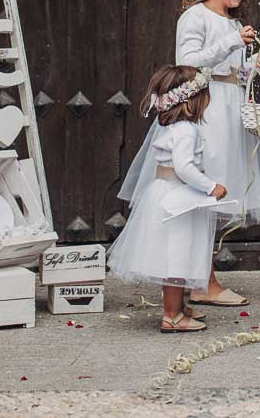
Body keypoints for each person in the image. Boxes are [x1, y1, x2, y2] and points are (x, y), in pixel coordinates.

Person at [118, 0, 260, 308]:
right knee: (203, 192)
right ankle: (202, 281)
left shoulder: (233, 22)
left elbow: (228, 72)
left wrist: (252, 67)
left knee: (219, 194)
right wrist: (231, 41)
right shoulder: (195, 17)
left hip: (228, 107)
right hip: (206, 111)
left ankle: (204, 277)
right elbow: (188, 63)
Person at [108, 65, 232, 333]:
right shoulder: (187, 130)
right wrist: (211, 187)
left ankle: (180, 307)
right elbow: (184, 167)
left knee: (180, 254)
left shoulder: (169, 126)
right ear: (192, 101)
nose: (208, 100)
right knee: (177, 259)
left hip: (165, 192)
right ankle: (171, 316)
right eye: (205, 94)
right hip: (179, 199)